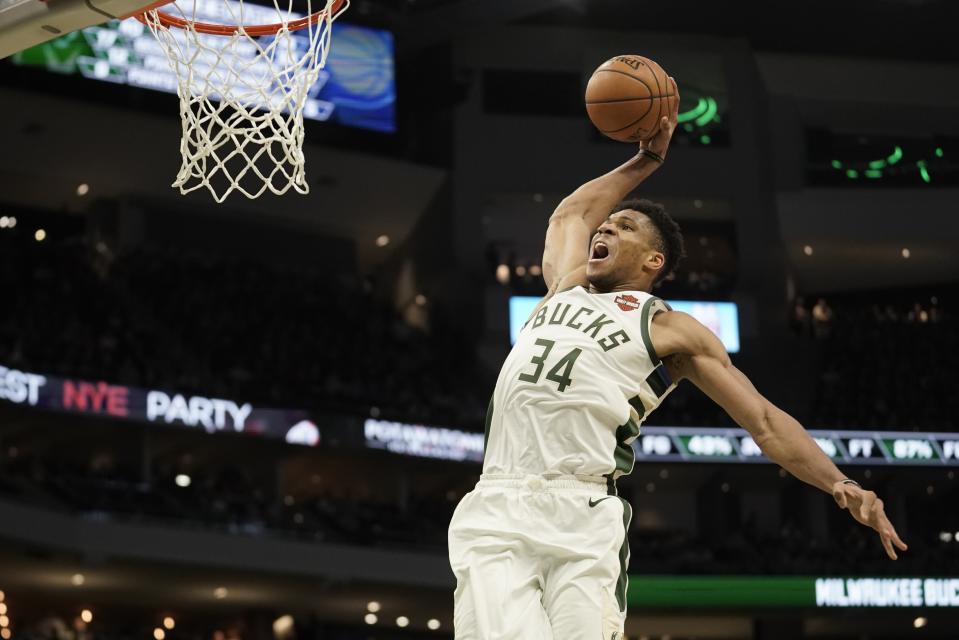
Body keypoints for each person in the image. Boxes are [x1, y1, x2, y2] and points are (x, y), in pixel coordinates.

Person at [447, 77, 907, 640]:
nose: (606, 225)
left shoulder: (670, 329)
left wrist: (841, 486)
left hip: (582, 510)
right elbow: (569, 214)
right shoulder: (563, 286)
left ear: (652, 259)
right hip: (498, 500)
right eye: (609, 222)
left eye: (624, 226)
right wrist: (645, 160)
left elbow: (762, 422)